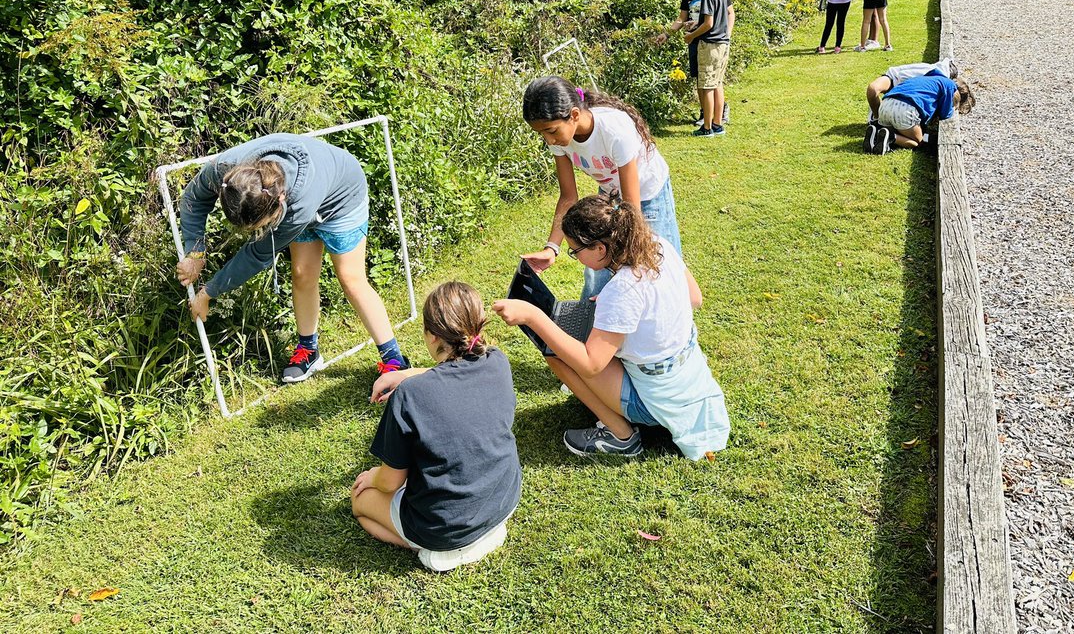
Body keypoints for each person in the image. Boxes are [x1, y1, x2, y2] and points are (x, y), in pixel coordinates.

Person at [493, 194, 730, 461]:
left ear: (600, 249)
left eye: (575, 251)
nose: (576, 257)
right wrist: (626, 315)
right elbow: (694, 297)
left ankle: (621, 437)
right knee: (574, 341)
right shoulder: (657, 246)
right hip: (687, 381)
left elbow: (591, 365)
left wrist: (534, 316)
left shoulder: (622, 291)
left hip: (655, 404)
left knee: (556, 353)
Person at [175, 133, 408, 385]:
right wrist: (195, 252)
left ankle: (394, 360)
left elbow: (256, 255)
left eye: (260, 227)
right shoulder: (226, 171)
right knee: (301, 274)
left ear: (278, 205)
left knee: (351, 279)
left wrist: (207, 292)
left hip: (342, 196)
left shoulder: (297, 209)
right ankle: (309, 351)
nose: (255, 234)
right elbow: (194, 198)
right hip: (305, 191)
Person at [352, 282, 521, 572]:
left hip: (442, 526)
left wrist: (372, 477)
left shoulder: (410, 396)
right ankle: (469, 539)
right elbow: (456, 373)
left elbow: (390, 482)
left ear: (431, 336)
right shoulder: (497, 360)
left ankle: (436, 549)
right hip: (504, 500)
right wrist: (409, 374)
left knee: (360, 503)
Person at [521, 75, 681, 300]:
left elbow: (631, 209)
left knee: (656, 268)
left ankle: (680, 332)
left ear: (574, 115)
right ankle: (592, 322)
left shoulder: (614, 130)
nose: (549, 140)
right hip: (611, 196)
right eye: (542, 134)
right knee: (597, 263)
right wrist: (551, 248)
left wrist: (619, 286)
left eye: (551, 131)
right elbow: (568, 197)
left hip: (647, 194)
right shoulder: (559, 140)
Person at [665, 0, 734, 136]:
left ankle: (707, 127)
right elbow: (699, 19)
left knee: (706, 86)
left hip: (708, 44)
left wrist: (691, 36)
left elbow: (708, 24)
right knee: (716, 82)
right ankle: (717, 124)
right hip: (720, 44)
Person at [867, 70, 975, 154]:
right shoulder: (950, 86)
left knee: (899, 129)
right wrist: (952, 110)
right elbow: (945, 114)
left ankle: (877, 132)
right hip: (905, 109)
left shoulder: (928, 78)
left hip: (886, 104)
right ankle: (890, 136)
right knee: (917, 141)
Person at [865, 58, 960, 121]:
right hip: (893, 78)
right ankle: (877, 117)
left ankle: (882, 119)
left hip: (903, 94)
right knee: (872, 89)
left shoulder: (937, 75)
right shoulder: (935, 73)